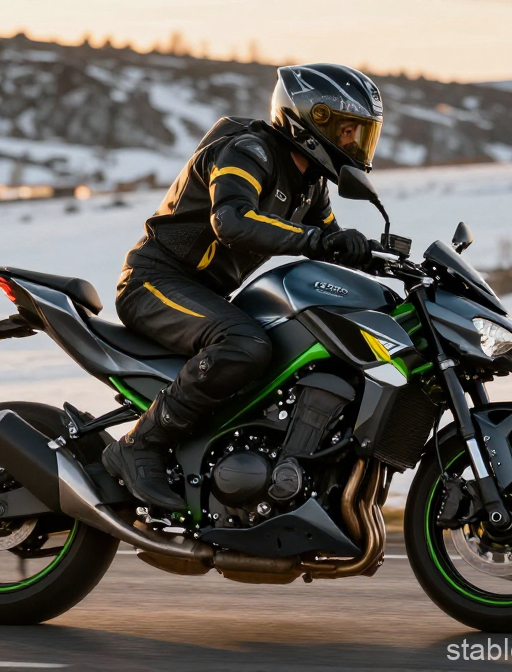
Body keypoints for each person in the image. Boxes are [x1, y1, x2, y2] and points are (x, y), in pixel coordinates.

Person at [102, 64, 384, 510]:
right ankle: (139, 444)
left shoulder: (310, 185)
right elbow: (232, 221)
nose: (354, 144)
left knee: (286, 346)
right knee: (245, 343)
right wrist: (318, 239)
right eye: (348, 132)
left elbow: (330, 242)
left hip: (208, 295)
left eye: (361, 135)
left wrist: (376, 255)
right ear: (312, 120)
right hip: (154, 281)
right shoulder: (249, 151)